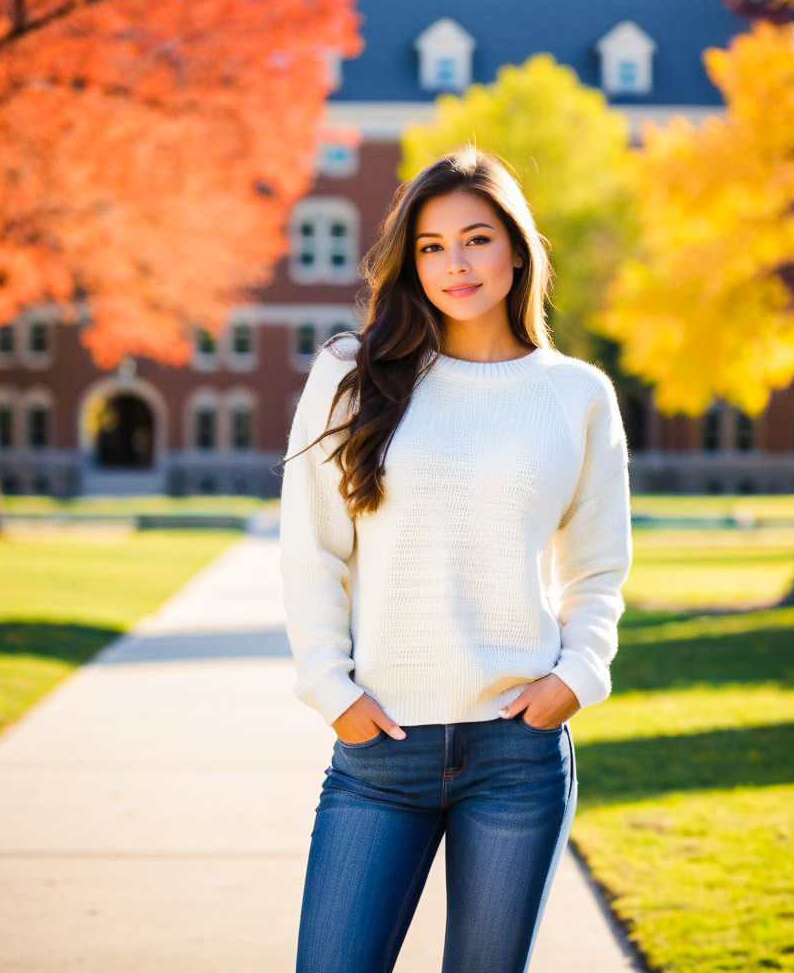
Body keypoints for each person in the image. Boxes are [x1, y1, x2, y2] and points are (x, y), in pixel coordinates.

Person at [279, 143, 633, 973]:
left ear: (517, 247)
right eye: (431, 247)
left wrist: (577, 677)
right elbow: (314, 551)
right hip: (380, 748)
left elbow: (597, 568)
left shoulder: (577, 393)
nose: (454, 264)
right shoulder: (351, 375)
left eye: (475, 238)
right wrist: (328, 688)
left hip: (518, 752)